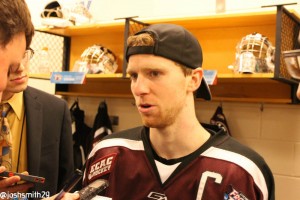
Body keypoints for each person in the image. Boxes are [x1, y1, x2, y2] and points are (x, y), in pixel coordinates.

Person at [61, 23, 275, 200]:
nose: (139, 89)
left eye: (154, 73)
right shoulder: (106, 153)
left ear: (194, 80)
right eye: (134, 76)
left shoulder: (244, 171)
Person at [0, 0, 74, 197]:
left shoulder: (55, 109)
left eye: (25, 54)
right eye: (10, 64)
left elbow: (67, 182)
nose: (21, 68)